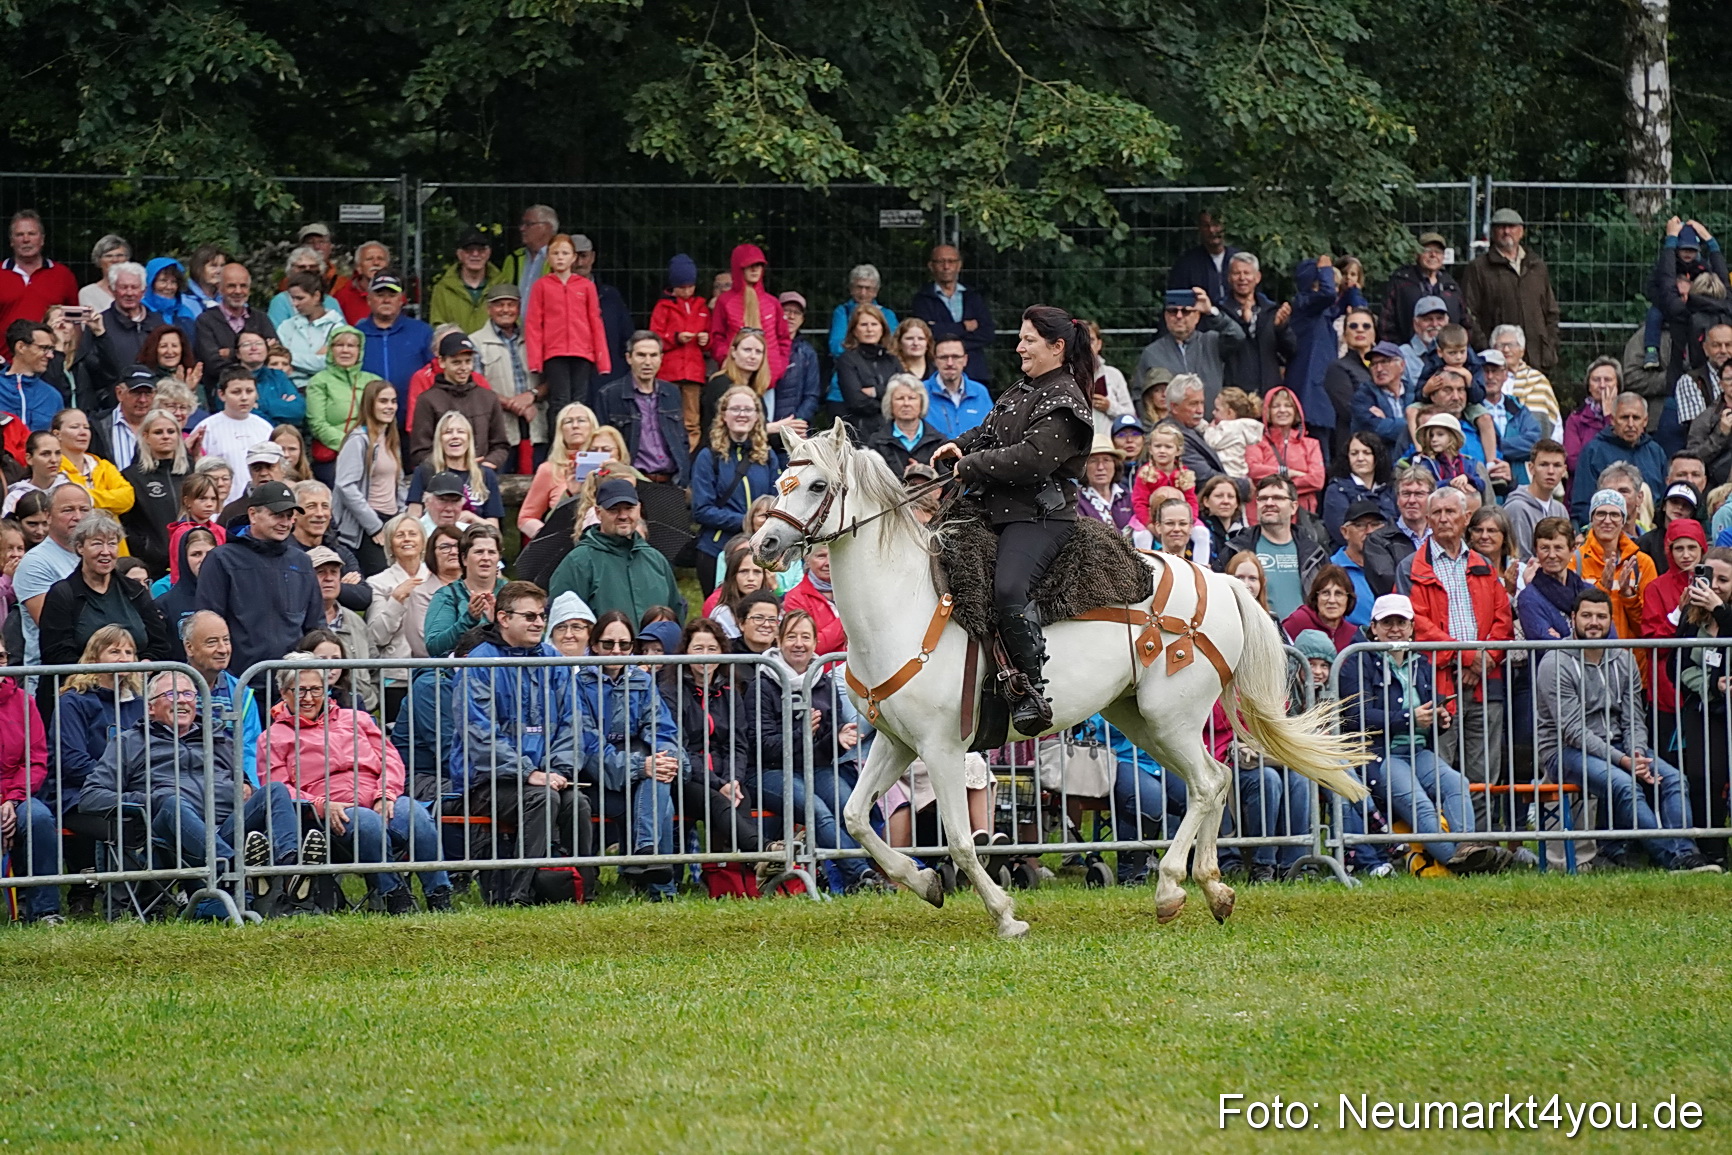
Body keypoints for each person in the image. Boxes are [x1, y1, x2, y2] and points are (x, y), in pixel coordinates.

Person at [930, 305, 1094, 732]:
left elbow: (1033, 459)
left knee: (1007, 588)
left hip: (1039, 518)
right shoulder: (1021, 390)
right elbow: (987, 431)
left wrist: (972, 465)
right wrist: (957, 446)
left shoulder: (1065, 398)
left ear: (1057, 347)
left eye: (1029, 340)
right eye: (1020, 338)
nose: (1019, 346)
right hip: (993, 511)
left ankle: (1030, 689)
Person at [81, 670, 318, 915]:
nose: (183, 700)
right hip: (171, 838)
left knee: (275, 791)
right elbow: (91, 797)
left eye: (189, 694)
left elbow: (243, 785)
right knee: (172, 802)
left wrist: (248, 789)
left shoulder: (218, 740)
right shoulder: (129, 742)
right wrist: (151, 800)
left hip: (226, 830)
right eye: (172, 694)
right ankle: (238, 870)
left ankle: (290, 871)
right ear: (151, 707)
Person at [1538, 590, 1720, 873]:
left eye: (1601, 616)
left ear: (1611, 620)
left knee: (1674, 779)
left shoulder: (1623, 659)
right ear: (1573, 619)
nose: (1594, 622)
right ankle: (1674, 858)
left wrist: (1636, 751)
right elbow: (1572, 730)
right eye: (1586, 616)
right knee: (1624, 784)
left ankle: (1687, 853)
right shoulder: (1555, 662)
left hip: (1622, 746)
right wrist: (1624, 761)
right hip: (1564, 751)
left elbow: (1634, 716)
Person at [264, 659, 452, 913]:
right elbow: (277, 787)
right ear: (284, 693)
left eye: (316, 689)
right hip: (331, 813)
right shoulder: (274, 736)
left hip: (380, 796)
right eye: (299, 690)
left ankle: (439, 894)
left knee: (416, 815)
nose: (308, 697)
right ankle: (393, 895)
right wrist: (320, 804)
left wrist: (385, 794)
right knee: (367, 822)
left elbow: (391, 760)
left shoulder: (358, 719)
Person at [1339, 594, 1508, 875]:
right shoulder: (1357, 661)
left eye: (1401, 622)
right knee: (1419, 803)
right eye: (1387, 623)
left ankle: (1466, 853)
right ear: (1374, 629)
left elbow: (1428, 710)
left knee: (1458, 783)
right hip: (1380, 755)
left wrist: (1440, 718)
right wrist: (1409, 718)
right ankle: (1469, 865)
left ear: (1412, 626)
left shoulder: (1421, 662)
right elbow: (1357, 717)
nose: (1395, 629)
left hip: (1418, 752)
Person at [1395, 487, 1515, 838]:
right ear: (1428, 520)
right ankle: (1443, 846)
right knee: (1440, 770)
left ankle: (1482, 843)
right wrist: (1471, 659)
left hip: (1485, 687)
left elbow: (1502, 619)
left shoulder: (1483, 565)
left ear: (1466, 519)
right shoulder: (1411, 567)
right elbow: (1414, 623)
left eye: (1451, 512)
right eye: (1438, 513)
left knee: (1484, 772)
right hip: (1437, 686)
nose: (1444, 519)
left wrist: (1484, 663)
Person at [741, 609, 879, 895]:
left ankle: (861, 876)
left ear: (816, 643)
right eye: (791, 636)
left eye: (805, 637)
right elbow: (762, 743)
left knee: (848, 805)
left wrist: (836, 736)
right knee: (818, 812)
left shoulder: (822, 681)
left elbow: (825, 744)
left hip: (815, 766)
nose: (799, 644)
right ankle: (861, 874)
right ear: (778, 641)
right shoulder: (762, 684)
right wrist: (800, 732)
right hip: (768, 771)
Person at [576, 609, 687, 899]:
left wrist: (662, 759)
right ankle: (661, 886)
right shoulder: (577, 684)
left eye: (624, 645)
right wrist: (642, 766)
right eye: (608, 644)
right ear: (595, 645)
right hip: (594, 781)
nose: (617, 651)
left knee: (659, 779)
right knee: (657, 789)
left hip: (637, 776)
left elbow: (663, 729)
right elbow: (590, 748)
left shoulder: (642, 680)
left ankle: (645, 857)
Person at [196, 481, 323, 680]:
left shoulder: (302, 562)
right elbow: (208, 624)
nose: (285, 522)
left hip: (292, 684)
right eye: (277, 515)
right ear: (253, 514)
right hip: (240, 682)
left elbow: (315, 626)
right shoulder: (221, 559)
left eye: (289, 516)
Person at [690, 386, 783, 597]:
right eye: (736, 409)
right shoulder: (708, 457)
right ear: (723, 415)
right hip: (717, 549)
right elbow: (702, 509)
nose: (742, 414)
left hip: (760, 549)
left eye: (748, 409)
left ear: (757, 416)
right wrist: (746, 521)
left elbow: (775, 501)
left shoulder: (767, 456)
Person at [1677, 546, 1732, 866]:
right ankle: (1711, 852)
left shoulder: (1724, 612)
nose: (1716, 585)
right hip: (1704, 710)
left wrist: (1721, 610)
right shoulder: (1691, 614)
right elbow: (1676, 665)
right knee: (1701, 776)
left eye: (1724, 579)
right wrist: (1712, 684)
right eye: (1711, 577)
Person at [0, 626, 58, 923]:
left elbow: (35, 760)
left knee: (38, 818)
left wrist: (10, 800)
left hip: (17, 795)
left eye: (0, 657)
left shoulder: (24, 701)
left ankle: (45, 910)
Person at [1460, 209, 1560, 375]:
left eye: (1511, 227)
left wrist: (1549, 347)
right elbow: (1468, 313)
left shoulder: (1536, 266)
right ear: (1493, 232)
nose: (1506, 231)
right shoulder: (1479, 268)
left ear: (1521, 231)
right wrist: (1487, 349)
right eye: (1501, 227)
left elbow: (1551, 311)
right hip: (1497, 363)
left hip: (1537, 359)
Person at [523, 232, 611, 416]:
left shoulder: (585, 286)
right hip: (555, 352)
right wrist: (535, 360)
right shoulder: (541, 285)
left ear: (573, 257)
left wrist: (602, 361)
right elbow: (533, 324)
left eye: (565, 253)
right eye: (555, 253)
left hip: (582, 352)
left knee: (580, 401)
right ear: (548, 257)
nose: (560, 258)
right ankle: (558, 443)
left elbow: (595, 322)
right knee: (559, 401)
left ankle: (578, 442)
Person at [1224, 476, 1327, 620]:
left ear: (1293, 507)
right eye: (1263, 498)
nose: (1269, 503)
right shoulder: (1235, 549)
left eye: (1278, 498)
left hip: (1303, 637)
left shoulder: (1315, 553)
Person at [330, 379, 405, 575]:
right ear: (370, 404)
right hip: (368, 526)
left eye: (393, 401)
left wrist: (402, 516)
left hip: (391, 521)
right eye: (383, 401)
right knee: (379, 582)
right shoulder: (358, 440)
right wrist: (374, 526)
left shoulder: (391, 440)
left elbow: (399, 482)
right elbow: (345, 485)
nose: (390, 407)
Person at [596, 331, 690, 485]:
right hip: (632, 481)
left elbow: (682, 440)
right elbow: (601, 443)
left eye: (653, 355)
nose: (648, 362)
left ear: (661, 358)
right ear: (629, 358)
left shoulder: (672, 392)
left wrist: (685, 475)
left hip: (672, 481)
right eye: (641, 355)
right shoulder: (609, 394)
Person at [407, 331, 511, 471]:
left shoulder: (488, 398)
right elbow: (419, 451)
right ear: (442, 362)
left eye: (468, 361)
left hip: (482, 475)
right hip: (442, 479)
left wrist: (488, 464)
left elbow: (501, 445)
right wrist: (453, 467)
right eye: (456, 362)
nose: (463, 368)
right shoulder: (427, 400)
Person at [15, 483, 93, 666]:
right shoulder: (35, 562)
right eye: (68, 510)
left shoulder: (100, 556)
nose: (78, 517)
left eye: (84, 509)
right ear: (48, 516)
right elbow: (51, 625)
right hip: (56, 673)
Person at [1570, 487, 1657, 649]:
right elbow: (1572, 618)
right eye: (1601, 513)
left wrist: (1628, 596)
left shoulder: (1642, 563)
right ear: (1592, 519)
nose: (1607, 520)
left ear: (1623, 520)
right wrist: (1602, 588)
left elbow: (1647, 627)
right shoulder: (1575, 561)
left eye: (1615, 514)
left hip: (1630, 663)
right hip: (1587, 658)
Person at [1132, 287, 1245, 407]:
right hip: (1169, 424)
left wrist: (1210, 312)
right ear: (1166, 316)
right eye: (1173, 311)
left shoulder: (1211, 342)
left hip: (1210, 421)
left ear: (1197, 316)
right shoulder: (1152, 353)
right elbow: (1139, 395)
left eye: (1186, 311)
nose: (1179, 316)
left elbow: (1237, 335)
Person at [114, 408, 188, 578]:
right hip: (152, 566)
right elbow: (124, 523)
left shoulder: (190, 473)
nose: (166, 436)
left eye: (171, 431)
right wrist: (146, 548)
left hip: (188, 561)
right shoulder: (131, 476)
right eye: (158, 432)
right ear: (146, 436)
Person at [648, 254, 711, 446]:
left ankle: (690, 458)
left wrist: (705, 340)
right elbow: (655, 338)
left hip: (694, 373)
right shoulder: (663, 307)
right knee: (667, 416)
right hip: (669, 373)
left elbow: (710, 338)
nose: (687, 290)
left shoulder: (701, 306)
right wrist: (675, 338)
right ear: (673, 287)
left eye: (690, 286)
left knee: (692, 420)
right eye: (682, 287)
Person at [306, 546, 378, 713]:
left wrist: (370, 699)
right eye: (320, 572)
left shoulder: (355, 621)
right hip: (312, 717)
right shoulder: (296, 620)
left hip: (360, 714)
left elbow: (375, 667)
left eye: (334, 572)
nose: (329, 578)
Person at [709, 243, 792, 386]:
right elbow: (716, 337)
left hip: (767, 379)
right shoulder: (725, 302)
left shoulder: (772, 303)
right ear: (738, 268)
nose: (755, 270)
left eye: (759, 265)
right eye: (749, 265)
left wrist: (779, 367)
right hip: (735, 377)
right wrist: (726, 359)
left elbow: (783, 338)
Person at [911, 245, 994, 386]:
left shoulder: (973, 297)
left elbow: (987, 333)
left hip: (975, 371)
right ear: (931, 266)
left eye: (951, 261)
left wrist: (944, 333)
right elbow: (927, 333)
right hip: (937, 371)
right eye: (940, 261)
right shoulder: (922, 299)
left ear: (959, 265)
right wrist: (963, 327)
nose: (946, 266)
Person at [349, 271, 431, 412]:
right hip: (367, 418)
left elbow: (434, 372)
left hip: (413, 417)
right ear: (369, 300)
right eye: (380, 295)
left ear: (401, 300)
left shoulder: (422, 332)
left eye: (392, 296)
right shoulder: (355, 335)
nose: (386, 300)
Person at [406, 412, 502, 529]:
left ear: (469, 439)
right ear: (439, 440)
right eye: (448, 432)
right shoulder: (425, 471)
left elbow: (494, 528)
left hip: (474, 541)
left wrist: (472, 518)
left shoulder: (486, 475)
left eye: (461, 432)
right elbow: (413, 519)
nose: (455, 436)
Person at [422, 523, 505, 658]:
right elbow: (434, 646)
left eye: (492, 552)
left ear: (498, 558)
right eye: (479, 552)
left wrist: (498, 623)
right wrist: (469, 619)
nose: (486, 557)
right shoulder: (447, 595)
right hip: (457, 675)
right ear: (464, 559)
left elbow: (535, 638)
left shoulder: (513, 593)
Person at [191, 263, 276, 394]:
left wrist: (230, 353)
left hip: (265, 390)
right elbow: (213, 365)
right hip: (222, 393)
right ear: (220, 288)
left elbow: (276, 355)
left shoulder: (261, 319)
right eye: (231, 286)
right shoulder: (206, 321)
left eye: (243, 286)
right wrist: (254, 357)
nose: (238, 291)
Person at [1379, 231, 1470, 345]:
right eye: (1427, 251)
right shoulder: (1401, 283)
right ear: (1417, 254)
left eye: (1438, 252)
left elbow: (1465, 321)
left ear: (1443, 256)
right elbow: (1386, 322)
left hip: (1447, 352)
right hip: (1408, 354)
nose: (1433, 255)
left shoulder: (1451, 285)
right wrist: (1396, 352)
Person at [1219, 252, 1293, 393]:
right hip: (1235, 393)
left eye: (1247, 273)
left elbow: (1291, 350)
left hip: (1268, 391)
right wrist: (1243, 322)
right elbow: (1220, 350)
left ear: (1257, 277)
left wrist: (1281, 328)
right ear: (1229, 278)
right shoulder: (1220, 311)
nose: (1242, 278)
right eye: (1236, 273)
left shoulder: (1271, 310)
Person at [1244, 385, 1324, 513]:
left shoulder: (1311, 444)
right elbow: (1253, 470)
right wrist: (1287, 472)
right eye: (1276, 406)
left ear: (1296, 411)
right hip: (1265, 513)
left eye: (1288, 406)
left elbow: (1317, 480)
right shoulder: (1256, 440)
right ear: (1267, 411)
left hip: (1301, 515)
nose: (1282, 410)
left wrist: (1275, 487)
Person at [1320, 431, 1396, 550]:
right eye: (1354, 453)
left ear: (1377, 457)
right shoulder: (1336, 490)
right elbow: (1340, 534)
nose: (1360, 458)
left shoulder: (1390, 488)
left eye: (1366, 453)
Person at [834, 303, 898, 442]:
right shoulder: (847, 360)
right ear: (854, 330)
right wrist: (890, 402)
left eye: (874, 324)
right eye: (863, 325)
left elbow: (904, 390)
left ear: (882, 328)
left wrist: (875, 391)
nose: (869, 329)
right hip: (862, 434)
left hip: (894, 434)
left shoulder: (892, 359)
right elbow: (856, 401)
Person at [866, 374, 945, 480]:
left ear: (921, 403)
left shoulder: (939, 442)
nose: (906, 403)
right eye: (900, 398)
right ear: (890, 404)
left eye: (912, 398)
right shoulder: (877, 443)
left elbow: (949, 484)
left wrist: (923, 474)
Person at [275, 271, 345, 388]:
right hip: (289, 389)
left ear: (316, 296)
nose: (294, 304)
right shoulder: (287, 326)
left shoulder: (337, 328)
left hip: (325, 389)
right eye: (292, 298)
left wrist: (289, 357)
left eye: (300, 298)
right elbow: (277, 359)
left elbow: (328, 363)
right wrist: (314, 358)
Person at [1502, 438, 1569, 562]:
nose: (1550, 471)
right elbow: (1520, 559)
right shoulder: (1517, 508)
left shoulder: (1560, 509)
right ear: (1531, 468)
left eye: (1557, 465)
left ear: (1564, 470)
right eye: (1543, 465)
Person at [4, 321, 72, 431]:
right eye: (44, 348)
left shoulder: (52, 396)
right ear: (21, 347)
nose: (50, 355)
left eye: (51, 349)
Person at [924, 335, 992, 442]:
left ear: (965, 360)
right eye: (943, 357)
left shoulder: (980, 392)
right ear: (935, 360)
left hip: (973, 457)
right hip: (934, 457)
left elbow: (991, 432)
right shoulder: (920, 392)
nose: (950, 363)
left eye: (955, 357)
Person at [1409, 411, 1487, 500]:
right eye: (1431, 436)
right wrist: (1450, 483)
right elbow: (1426, 488)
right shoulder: (1425, 463)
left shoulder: (1469, 463)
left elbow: (1482, 485)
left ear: (1453, 437)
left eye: (1440, 434)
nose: (1434, 439)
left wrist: (1467, 478)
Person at [1281, 564, 1357, 652]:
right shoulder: (1297, 622)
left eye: (1338, 594)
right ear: (1316, 597)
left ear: (1348, 598)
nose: (1332, 600)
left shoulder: (1353, 634)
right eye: (1325, 593)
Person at [774, 292, 821, 429]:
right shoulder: (763, 347)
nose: (791, 316)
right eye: (786, 311)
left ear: (802, 319)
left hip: (795, 428)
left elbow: (812, 395)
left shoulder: (808, 353)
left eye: (797, 312)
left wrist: (798, 421)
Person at [1075, 433, 1136, 537]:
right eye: (1093, 461)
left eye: (1106, 460)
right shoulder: (1077, 500)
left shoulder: (1127, 497)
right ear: (1084, 467)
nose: (1100, 467)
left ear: (1115, 465)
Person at [1201, 386, 1262, 479]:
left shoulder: (1231, 428)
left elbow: (1212, 442)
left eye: (1217, 410)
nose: (1213, 412)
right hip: (1238, 473)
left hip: (1230, 474)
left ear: (1230, 413)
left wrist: (1209, 428)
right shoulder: (1241, 427)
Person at [80, 234, 130, 314]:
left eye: (120, 255)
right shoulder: (88, 293)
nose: (115, 260)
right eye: (108, 256)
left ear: (127, 259)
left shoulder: (138, 290)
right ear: (99, 261)